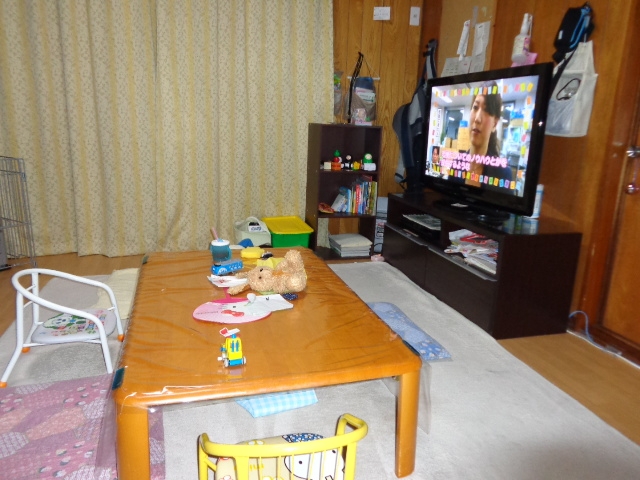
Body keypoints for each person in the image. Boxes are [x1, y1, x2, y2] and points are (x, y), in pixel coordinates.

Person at [465, 81, 512, 190]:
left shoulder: (503, 175)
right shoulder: (456, 163)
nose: (477, 119)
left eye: (486, 110)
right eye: (475, 107)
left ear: (494, 124)